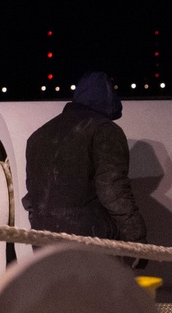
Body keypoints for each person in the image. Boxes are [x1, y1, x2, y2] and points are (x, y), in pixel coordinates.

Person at [22, 71, 148, 266]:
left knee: (59, 296)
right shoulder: (104, 131)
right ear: (107, 98)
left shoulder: (38, 136)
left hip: (43, 243)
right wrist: (137, 243)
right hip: (90, 243)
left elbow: (32, 197)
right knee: (97, 296)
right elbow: (113, 192)